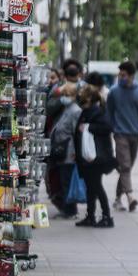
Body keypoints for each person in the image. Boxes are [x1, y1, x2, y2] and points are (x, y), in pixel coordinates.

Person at [107, 61, 138, 212]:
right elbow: (109, 112)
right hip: (120, 134)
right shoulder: (113, 91)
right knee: (125, 166)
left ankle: (117, 199)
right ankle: (130, 197)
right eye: (120, 75)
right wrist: (112, 129)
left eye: (124, 75)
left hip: (135, 133)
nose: (121, 78)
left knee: (126, 168)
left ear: (132, 76)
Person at [74, 85, 117, 228]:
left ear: (90, 99)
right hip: (89, 157)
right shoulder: (89, 111)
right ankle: (91, 215)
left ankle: (106, 216)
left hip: (96, 157)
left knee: (96, 186)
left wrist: (88, 127)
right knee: (91, 187)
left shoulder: (97, 112)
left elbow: (107, 127)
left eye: (83, 97)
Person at [49, 83, 82, 219]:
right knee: (63, 180)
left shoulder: (75, 110)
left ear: (74, 96)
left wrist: (76, 152)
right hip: (62, 149)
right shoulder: (67, 108)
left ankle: (70, 210)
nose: (64, 98)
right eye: (63, 95)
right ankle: (67, 208)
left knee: (67, 180)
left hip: (69, 151)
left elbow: (76, 133)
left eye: (67, 95)